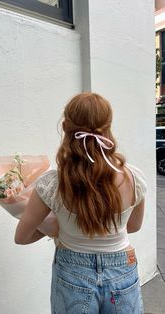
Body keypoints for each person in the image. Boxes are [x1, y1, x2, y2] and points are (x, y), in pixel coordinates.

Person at [14, 92, 146, 314]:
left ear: (65, 127)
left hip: (72, 271)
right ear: (108, 127)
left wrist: (54, 227)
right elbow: (133, 226)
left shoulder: (52, 184)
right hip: (122, 268)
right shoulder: (134, 178)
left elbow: (22, 237)